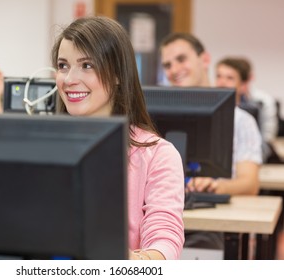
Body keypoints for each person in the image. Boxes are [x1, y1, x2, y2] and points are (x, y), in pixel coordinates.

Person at [51, 16, 185, 260]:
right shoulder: (45, 146)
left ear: (117, 75)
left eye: (87, 65)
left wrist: (129, 260)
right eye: (63, 65)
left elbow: (165, 242)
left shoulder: (158, 155)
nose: (69, 79)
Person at [160, 33, 262, 252]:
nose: (174, 70)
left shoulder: (241, 121)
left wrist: (216, 185)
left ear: (204, 60)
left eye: (181, 59)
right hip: (164, 220)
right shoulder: (153, 117)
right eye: (167, 65)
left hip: (213, 228)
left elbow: (250, 184)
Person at [216, 57, 276, 162]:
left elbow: (265, 144)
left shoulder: (255, 109)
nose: (222, 83)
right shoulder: (211, 109)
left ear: (243, 85)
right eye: (218, 76)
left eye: (229, 78)